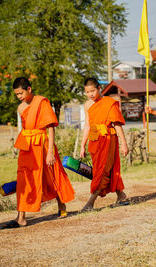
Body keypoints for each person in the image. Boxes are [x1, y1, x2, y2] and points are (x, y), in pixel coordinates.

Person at [7, 77, 75, 228]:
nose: (19, 97)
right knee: (23, 178)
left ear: (29, 89)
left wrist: (50, 151)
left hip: (43, 145)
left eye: (21, 93)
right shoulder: (20, 108)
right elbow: (26, 128)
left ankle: (61, 205)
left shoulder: (42, 102)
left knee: (51, 175)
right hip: (27, 146)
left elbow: (50, 127)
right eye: (17, 94)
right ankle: (21, 217)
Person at [80, 77, 129, 211]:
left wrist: (124, 144)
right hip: (95, 140)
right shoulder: (87, 105)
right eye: (87, 92)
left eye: (93, 91)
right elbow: (87, 125)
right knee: (102, 170)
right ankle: (121, 195)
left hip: (108, 139)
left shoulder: (109, 103)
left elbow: (117, 124)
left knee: (102, 172)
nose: (90, 94)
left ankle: (90, 203)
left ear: (99, 89)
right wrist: (82, 145)